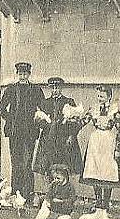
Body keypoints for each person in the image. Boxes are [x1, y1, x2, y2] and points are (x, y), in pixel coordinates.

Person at [78, 85, 120, 219]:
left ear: (109, 97)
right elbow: (83, 121)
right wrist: (72, 123)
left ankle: (105, 206)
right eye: (98, 96)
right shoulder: (94, 109)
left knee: (107, 173)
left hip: (108, 141)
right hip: (96, 141)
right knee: (95, 171)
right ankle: (98, 204)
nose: (100, 99)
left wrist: (119, 145)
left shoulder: (114, 110)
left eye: (102, 96)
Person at [32, 77, 83, 206]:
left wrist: (71, 135)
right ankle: (48, 195)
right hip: (48, 140)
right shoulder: (44, 102)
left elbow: (75, 121)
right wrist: (46, 122)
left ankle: (65, 196)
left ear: (61, 88)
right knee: (47, 167)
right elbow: (37, 121)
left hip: (63, 140)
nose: (55, 90)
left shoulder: (68, 101)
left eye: (57, 88)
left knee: (64, 167)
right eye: (53, 88)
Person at [0, 62, 44, 202]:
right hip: (15, 132)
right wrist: (10, 119)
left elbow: (42, 108)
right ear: (17, 74)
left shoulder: (36, 90)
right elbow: (1, 109)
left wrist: (37, 118)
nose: (23, 76)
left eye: (25, 74)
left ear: (29, 74)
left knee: (27, 162)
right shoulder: (11, 89)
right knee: (16, 163)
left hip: (29, 132)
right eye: (20, 74)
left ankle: (28, 194)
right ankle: (15, 193)